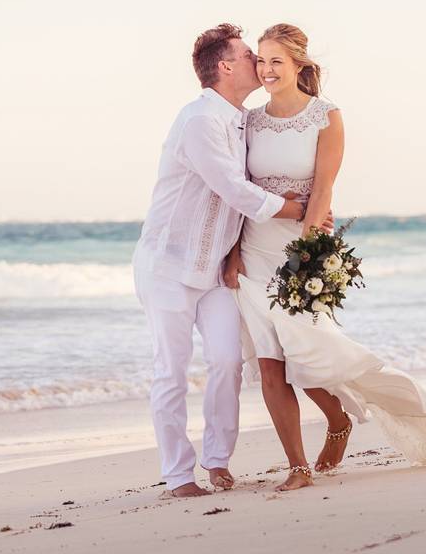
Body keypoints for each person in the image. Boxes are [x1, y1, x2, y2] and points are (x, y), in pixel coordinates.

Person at [224, 23, 426, 492]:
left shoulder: (326, 116)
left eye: (275, 61)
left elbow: (324, 188)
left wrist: (305, 257)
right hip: (252, 251)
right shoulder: (250, 120)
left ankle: (339, 420)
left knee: (306, 352)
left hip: (297, 252)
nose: (265, 69)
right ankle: (298, 467)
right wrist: (228, 254)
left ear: (299, 65)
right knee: (270, 361)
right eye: (260, 60)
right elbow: (234, 191)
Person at [132, 24, 318, 498]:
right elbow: (231, 188)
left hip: (215, 271)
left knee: (227, 361)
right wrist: (297, 209)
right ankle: (178, 475)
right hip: (168, 267)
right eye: (248, 55)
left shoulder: (241, 120)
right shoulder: (199, 120)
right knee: (171, 371)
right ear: (225, 66)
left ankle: (217, 460)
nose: (259, 62)